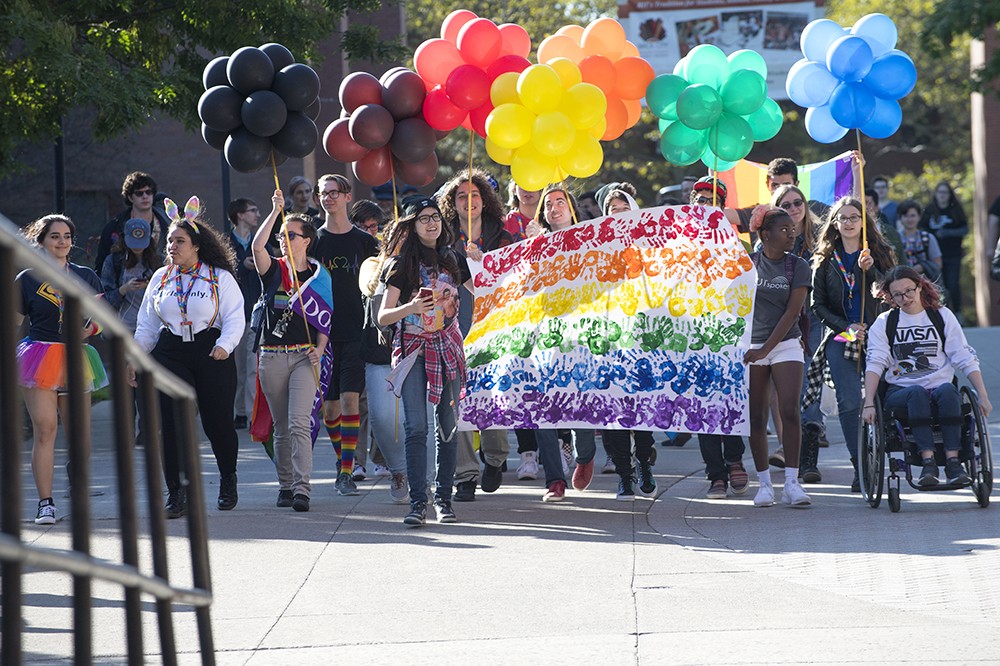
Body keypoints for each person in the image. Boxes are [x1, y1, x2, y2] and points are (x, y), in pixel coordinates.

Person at [133, 197, 245, 517]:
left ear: (196, 245)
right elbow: (147, 325)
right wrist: (135, 357)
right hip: (170, 352)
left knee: (217, 422)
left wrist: (226, 344)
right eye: (169, 240)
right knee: (171, 423)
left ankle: (228, 478)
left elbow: (235, 317)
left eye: (179, 241)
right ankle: (177, 493)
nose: (172, 246)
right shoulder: (161, 278)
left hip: (211, 350)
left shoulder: (218, 276)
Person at [377, 195, 472, 526]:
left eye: (435, 217)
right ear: (411, 225)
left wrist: (481, 261)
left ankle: (444, 499)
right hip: (413, 351)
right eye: (423, 218)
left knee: (448, 427)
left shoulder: (453, 258)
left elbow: (489, 289)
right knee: (416, 427)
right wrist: (411, 309)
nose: (432, 223)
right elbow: (383, 316)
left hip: (448, 348)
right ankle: (418, 502)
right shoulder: (400, 264)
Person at [16, 214, 108, 524]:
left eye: (67, 235)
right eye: (55, 236)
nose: (63, 241)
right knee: (46, 429)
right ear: (41, 241)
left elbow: (101, 318)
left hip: (75, 358)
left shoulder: (86, 276)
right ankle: (45, 503)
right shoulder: (26, 278)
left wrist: (89, 329)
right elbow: (14, 323)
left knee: (78, 434)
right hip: (39, 357)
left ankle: (78, 493)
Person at [864, 265, 992, 485]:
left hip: (940, 387)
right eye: (898, 295)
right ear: (891, 297)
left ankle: (953, 462)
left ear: (920, 286)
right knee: (916, 392)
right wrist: (868, 403)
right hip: (901, 391)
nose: (905, 298)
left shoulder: (941, 316)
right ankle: (928, 463)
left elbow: (963, 355)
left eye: (909, 291)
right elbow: (875, 362)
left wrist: (982, 394)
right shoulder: (885, 323)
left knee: (948, 390)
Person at [806, 197, 896, 491]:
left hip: (877, 333)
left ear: (863, 221)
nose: (848, 222)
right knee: (849, 401)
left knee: (880, 400)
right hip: (842, 335)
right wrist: (846, 327)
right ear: (834, 224)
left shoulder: (879, 253)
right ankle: (860, 466)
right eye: (842, 218)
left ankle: (882, 454)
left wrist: (872, 272)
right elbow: (817, 305)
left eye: (854, 217)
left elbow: (894, 293)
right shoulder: (824, 259)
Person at [252, 192, 332, 513]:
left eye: (291, 235)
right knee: (282, 426)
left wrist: (320, 350)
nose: (284, 240)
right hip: (271, 356)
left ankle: (302, 489)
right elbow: (258, 247)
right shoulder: (273, 271)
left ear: (307, 241)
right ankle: (285, 483)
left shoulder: (319, 275)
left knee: (300, 420)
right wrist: (274, 211)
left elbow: (327, 319)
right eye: (281, 235)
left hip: (303, 356)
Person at [437, 169, 513, 500]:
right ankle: (465, 473)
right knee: (457, 399)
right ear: (452, 203)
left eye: (475, 195)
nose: (469, 201)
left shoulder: (501, 235)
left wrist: (486, 266)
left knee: (490, 394)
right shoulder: (443, 236)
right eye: (461, 196)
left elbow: (514, 278)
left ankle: (495, 459)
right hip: (454, 323)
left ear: (486, 200)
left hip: (493, 323)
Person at [523, 185, 600, 501]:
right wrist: (528, 249)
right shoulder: (534, 246)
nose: (555, 208)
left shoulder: (590, 241)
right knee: (543, 411)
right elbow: (523, 287)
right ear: (543, 213)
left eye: (561, 202)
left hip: (581, 338)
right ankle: (554, 480)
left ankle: (585, 455)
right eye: (549, 204)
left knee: (579, 406)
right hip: (544, 338)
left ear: (571, 209)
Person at [313, 174, 379, 496]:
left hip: (356, 330)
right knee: (330, 410)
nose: (329, 198)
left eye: (334, 193)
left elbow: (381, 280)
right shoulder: (314, 241)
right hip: (322, 333)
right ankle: (344, 462)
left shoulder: (365, 242)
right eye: (323, 193)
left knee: (352, 400)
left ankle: (346, 472)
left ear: (348, 196)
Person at [744, 207, 812, 507]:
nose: (791, 233)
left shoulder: (798, 266)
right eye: (783, 229)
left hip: (785, 343)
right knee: (756, 417)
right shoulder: (746, 265)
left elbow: (791, 313)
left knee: (790, 411)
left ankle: (793, 484)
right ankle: (764, 486)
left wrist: (765, 350)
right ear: (765, 234)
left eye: (792, 228)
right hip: (751, 346)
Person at [770, 184, 826, 483]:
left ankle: (808, 461)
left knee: (810, 386)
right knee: (788, 391)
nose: (792, 209)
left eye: (797, 203)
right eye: (785, 205)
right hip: (784, 323)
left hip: (815, 319)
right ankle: (792, 451)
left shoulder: (822, 239)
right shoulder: (768, 240)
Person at [100, 217, 162, 447]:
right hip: (122, 330)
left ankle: (146, 430)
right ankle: (125, 431)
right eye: (134, 241)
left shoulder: (158, 262)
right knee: (125, 384)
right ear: (124, 239)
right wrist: (124, 289)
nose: (139, 247)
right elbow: (104, 299)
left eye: (143, 242)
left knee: (147, 383)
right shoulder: (114, 261)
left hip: (149, 330)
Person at [227, 197, 264, 430]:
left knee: (253, 367)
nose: (257, 215)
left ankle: (251, 415)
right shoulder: (225, 243)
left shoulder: (260, 242)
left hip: (256, 312)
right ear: (240, 215)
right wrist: (243, 265)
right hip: (233, 314)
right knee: (236, 367)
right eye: (253, 211)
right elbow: (222, 274)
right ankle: (238, 411)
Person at [94, 171, 170, 273]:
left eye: (148, 192)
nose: (145, 196)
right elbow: (102, 263)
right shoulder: (115, 227)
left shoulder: (167, 224)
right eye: (139, 193)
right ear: (130, 197)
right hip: (124, 283)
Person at [919, 181, 967, 313]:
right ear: (936, 194)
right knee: (937, 284)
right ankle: (939, 311)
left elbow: (964, 229)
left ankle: (957, 312)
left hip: (953, 254)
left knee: (952, 284)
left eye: (945, 192)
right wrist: (932, 235)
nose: (942, 195)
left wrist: (948, 233)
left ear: (950, 195)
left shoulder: (955, 210)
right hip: (934, 255)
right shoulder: (929, 210)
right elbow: (921, 227)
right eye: (940, 192)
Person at [896, 200, 942, 285]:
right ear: (900, 218)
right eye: (906, 216)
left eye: (913, 216)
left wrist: (922, 267)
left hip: (926, 284)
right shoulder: (894, 238)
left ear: (919, 217)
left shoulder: (928, 238)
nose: (909, 219)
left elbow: (938, 264)